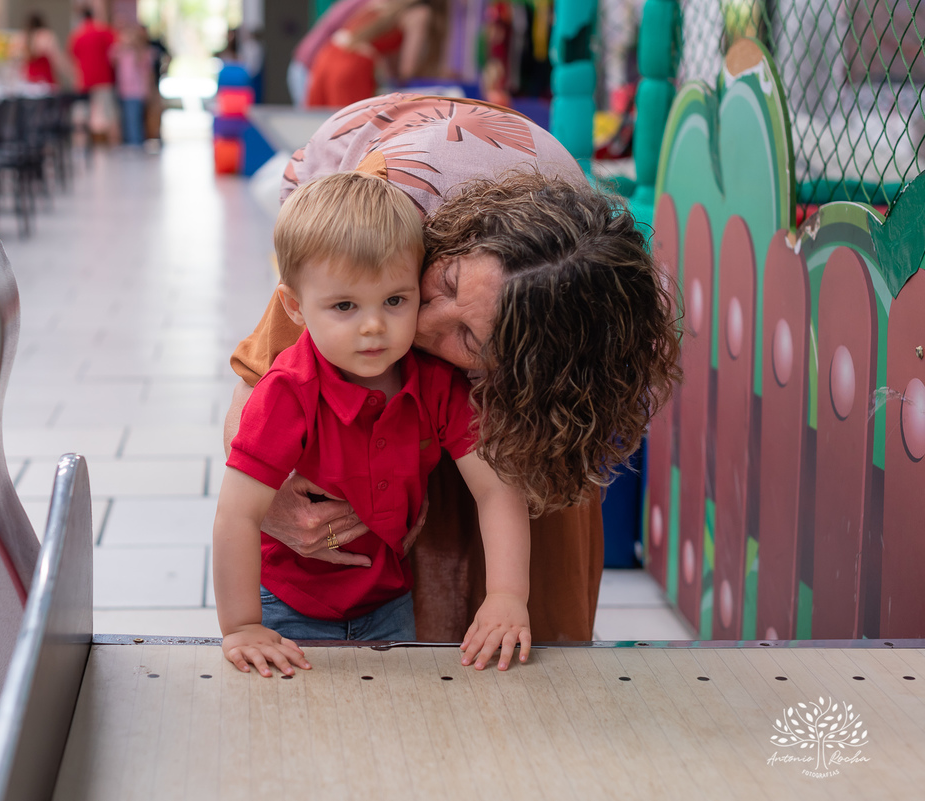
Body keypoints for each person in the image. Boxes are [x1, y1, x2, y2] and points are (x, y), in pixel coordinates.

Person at [225, 93, 681, 646]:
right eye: (445, 286)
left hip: (532, 362)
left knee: (540, 589)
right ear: (456, 243)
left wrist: (509, 599)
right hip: (403, 197)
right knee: (427, 587)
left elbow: (506, 492)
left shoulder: (553, 348)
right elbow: (258, 382)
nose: (425, 322)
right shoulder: (383, 224)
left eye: (467, 338)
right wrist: (269, 502)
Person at [216, 171, 533, 678]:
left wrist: (506, 596)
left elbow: (497, 491)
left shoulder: (434, 384)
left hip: (388, 603)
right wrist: (241, 627)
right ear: (295, 307)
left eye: (394, 301)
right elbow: (236, 515)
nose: (373, 326)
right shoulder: (287, 391)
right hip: (286, 607)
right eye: (344, 306)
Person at [306, 0, 437, 108]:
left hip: (327, 56)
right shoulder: (420, 14)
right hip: (353, 65)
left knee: (320, 125)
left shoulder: (385, 4)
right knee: (351, 129)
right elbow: (408, 70)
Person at [69, 8, 117, 143]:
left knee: (82, 119)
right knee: (109, 118)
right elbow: (115, 51)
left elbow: (73, 59)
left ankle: (81, 148)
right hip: (103, 79)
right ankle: (113, 147)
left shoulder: (77, 35)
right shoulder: (103, 31)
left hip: (84, 82)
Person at [114, 23, 151, 146]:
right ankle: (130, 144)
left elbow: (146, 74)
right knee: (127, 121)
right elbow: (111, 56)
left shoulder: (141, 54)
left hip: (136, 92)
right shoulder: (121, 53)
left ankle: (136, 144)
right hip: (124, 91)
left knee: (135, 121)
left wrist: (147, 91)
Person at [22, 13, 65, 87]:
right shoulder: (47, 35)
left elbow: (23, 62)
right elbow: (56, 59)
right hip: (45, 77)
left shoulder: (25, 37)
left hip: (30, 78)